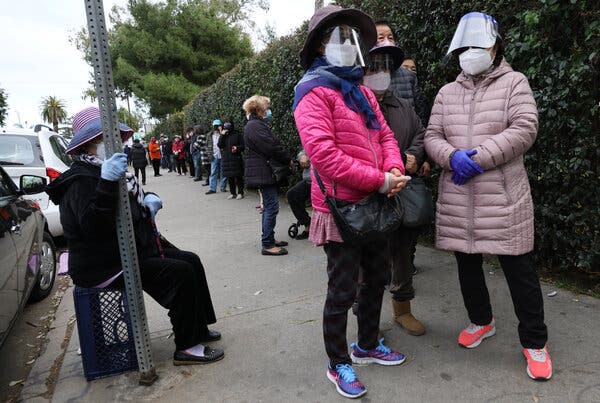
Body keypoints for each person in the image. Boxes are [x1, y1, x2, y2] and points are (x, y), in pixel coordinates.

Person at [424, 12, 551, 380]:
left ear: (496, 47)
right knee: (467, 264)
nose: (470, 53)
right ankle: (481, 320)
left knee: (519, 269)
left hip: (503, 198)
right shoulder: (447, 92)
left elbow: (525, 128)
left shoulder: (514, 82)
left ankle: (534, 341)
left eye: (478, 46)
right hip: (459, 198)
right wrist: (451, 157)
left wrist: (477, 159)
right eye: (465, 47)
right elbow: (433, 135)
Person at [293, 6, 411, 398]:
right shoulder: (311, 92)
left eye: (349, 36)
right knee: (342, 291)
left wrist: (392, 171)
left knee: (376, 278)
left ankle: (367, 344)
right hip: (342, 210)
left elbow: (385, 136)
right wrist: (380, 180)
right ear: (319, 45)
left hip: (375, 202)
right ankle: (338, 362)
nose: (345, 44)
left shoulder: (359, 89)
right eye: (335, 37)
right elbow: (324, 156)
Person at [46, 106, 223, 365]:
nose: (115, 142)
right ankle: (187, 347)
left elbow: (125, 207)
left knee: (191, 260)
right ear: (89, 145)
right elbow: (93, 227)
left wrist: (146, 201)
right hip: (104, 264)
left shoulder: (104, 170)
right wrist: (106, 182)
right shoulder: (81, 179)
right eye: (107, 137)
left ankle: (198, 328)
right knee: (179, 273)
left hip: (127, 250)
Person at [363, 40, 428, 336]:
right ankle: (368, 321)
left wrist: (413, 157)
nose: (380, 73)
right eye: (373, 67)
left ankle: (402, 310)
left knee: (403, 254)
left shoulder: (402, 106)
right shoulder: (353, 106)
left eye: (385, 67)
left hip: (400, 192)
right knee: (367, 261)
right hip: (365, 196)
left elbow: (419, 133)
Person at [243, 95, 291, 256]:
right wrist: (287, 158)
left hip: (262, 170)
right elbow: (271, 147)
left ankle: (269, 238)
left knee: (269, 206)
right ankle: (268, 244)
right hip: (263, 170)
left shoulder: (255, 125)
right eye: (266, 108)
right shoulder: (255, 126)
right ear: (258, 109)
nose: (268, 111)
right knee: (271, 207)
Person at [375, 20, 429, 126]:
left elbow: (421, 109)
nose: (387, 42)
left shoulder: (409, 76)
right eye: (381, 38)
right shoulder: (364, 75)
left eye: (390, 38)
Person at [285, 150, 312, 240]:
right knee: (292, 195)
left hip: (325, 180)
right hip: (309, 180)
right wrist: (302, 156)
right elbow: (304, 150)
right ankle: (308, 224)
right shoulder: (313, 137)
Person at [217, 119, 245, 199]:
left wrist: (237, 148)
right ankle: (233, 193)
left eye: (228, 123)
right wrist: (222, 135)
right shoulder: (223, 135)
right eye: (225, 124)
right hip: (226, 159)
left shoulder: (237, 134)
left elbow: (243, 145)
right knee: (230, 177)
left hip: (236, 158)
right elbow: (220, 145)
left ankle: (240, 192)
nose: (227, 125)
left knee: (238, 176)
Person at [206, 119, 227, 194]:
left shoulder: (224, 133)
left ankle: (223, 187)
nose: (216, 127)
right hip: (214, 156)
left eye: (218, 126)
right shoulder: (209, 135)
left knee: (223, 172)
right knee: (213, 172)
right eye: (215, 126)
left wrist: (222, 133)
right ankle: (212, 188)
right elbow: (207, 146)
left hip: (222, 155)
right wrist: (209, 155)